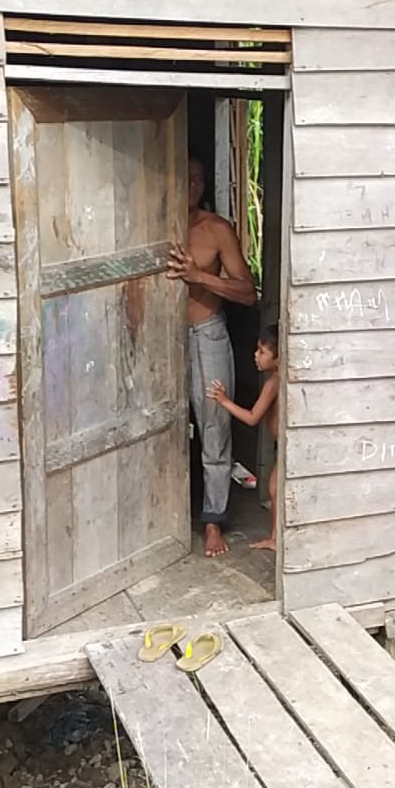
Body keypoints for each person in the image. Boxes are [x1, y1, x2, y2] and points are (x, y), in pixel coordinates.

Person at [166, 157, 257, 558]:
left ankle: (213, 519)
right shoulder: (148, 224)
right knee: (156, 427)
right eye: (184, 177)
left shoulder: (216, 229)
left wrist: (199, 276)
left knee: (215, 424)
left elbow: (247, 292)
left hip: (206, 333)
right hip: (158, 340)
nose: (192, 184)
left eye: (198, 177)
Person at [208, 323, 281, 551]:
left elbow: (252, 418)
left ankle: (278, 538)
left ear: (278, 359)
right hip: (284, 446)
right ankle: (276, 537)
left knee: (276, 489)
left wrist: (224, 401)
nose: (255, 355)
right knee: (275, 489)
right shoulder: (278, 379)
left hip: (287, 447)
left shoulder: (273, 383)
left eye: (262, 352)